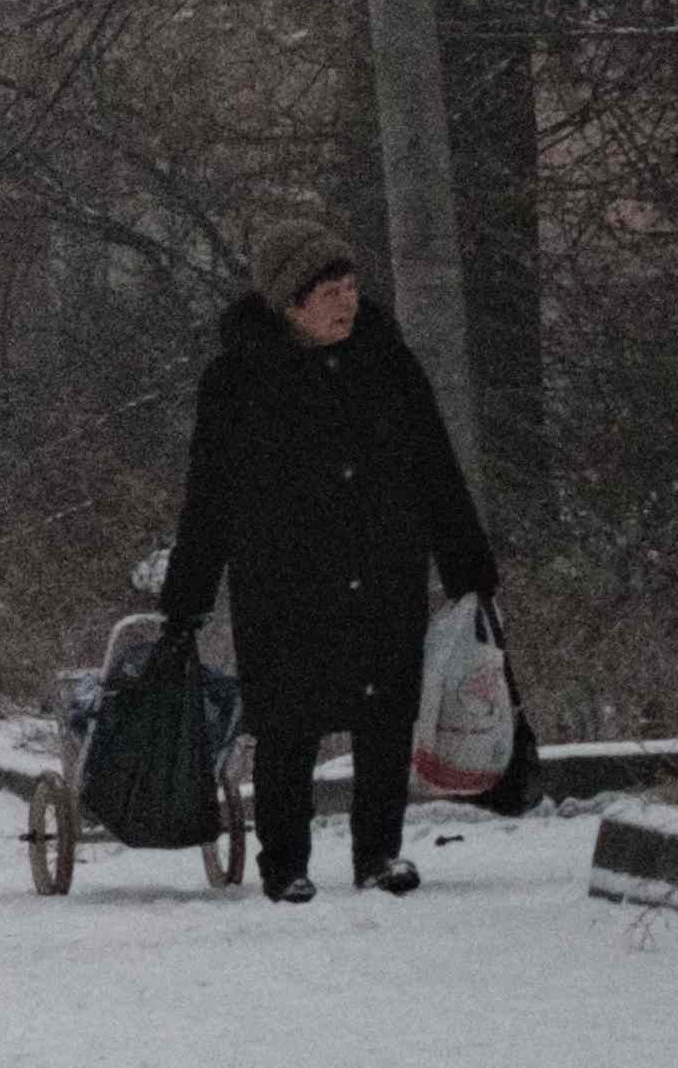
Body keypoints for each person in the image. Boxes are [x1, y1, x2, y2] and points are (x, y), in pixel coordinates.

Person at [158, 221, 500, 904]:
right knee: (286, 720)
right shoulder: (239, 378)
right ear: (290, 303)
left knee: (383, 713)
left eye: (349, 288)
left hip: (381, 564)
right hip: (284, 576)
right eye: (328, 292)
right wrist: (186, 596)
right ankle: (284, 862)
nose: (345, 303)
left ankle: (378, 853)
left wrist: (467, 565)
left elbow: (434, 466)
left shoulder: (388, 361)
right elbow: (209, 494)